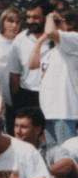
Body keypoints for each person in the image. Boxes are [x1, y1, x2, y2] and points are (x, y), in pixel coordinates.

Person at [30, 9, 78, 148]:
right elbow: (32, 64)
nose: (49, 25)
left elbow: (51, 32)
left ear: (71, 23)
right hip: (48, 112)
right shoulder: (53, 49)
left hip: (65, 112)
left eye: (56, 22)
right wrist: (40, 41)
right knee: (52, 155)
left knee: (67, 154)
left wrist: (50, 14)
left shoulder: (74, 39)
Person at [8, 0, 52, 123]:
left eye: (36, 17)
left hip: (53, 94)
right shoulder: (20, 39)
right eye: (28, 17)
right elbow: (14, 73)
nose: (31, 21)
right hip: (27, 96)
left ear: (47, 17)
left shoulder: (58, 39)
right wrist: (17, 100)